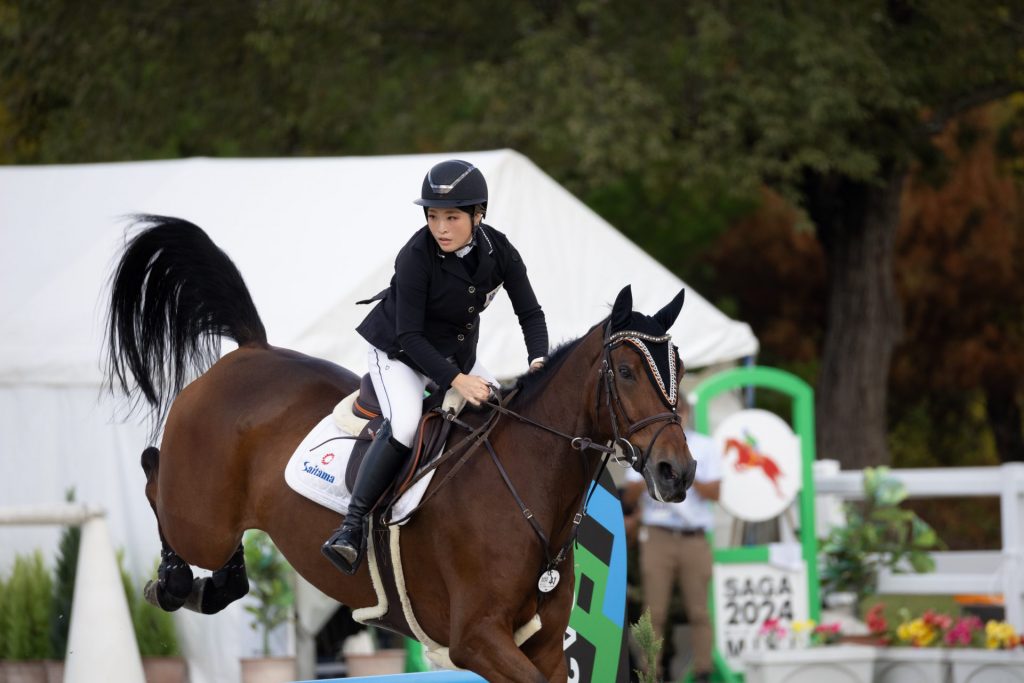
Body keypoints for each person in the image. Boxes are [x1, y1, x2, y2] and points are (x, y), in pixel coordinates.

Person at [321, 159, 549, 574]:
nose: (440, 227)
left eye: (452, 216)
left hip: (454, 354)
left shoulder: (500, 251)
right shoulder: (415, 256)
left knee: (502, 416)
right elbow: (409, 337)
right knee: (406, 424)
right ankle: (350, 527)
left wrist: (539, 359)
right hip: (398, 354)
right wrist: (460, 381)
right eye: (432, 216)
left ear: (478, 215)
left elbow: (530, 313)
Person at [624, 400, 721, 683]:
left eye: (681, 414)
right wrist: (654, 472)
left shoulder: (705, 445)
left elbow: (716, 492)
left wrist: (685, 474)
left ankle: (704, 671)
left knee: (699, 611)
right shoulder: (650, 443)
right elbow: (629, 496)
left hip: (694, 537)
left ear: (688, 414)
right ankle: (650, 673)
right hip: (658, 535)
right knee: (654, 611)